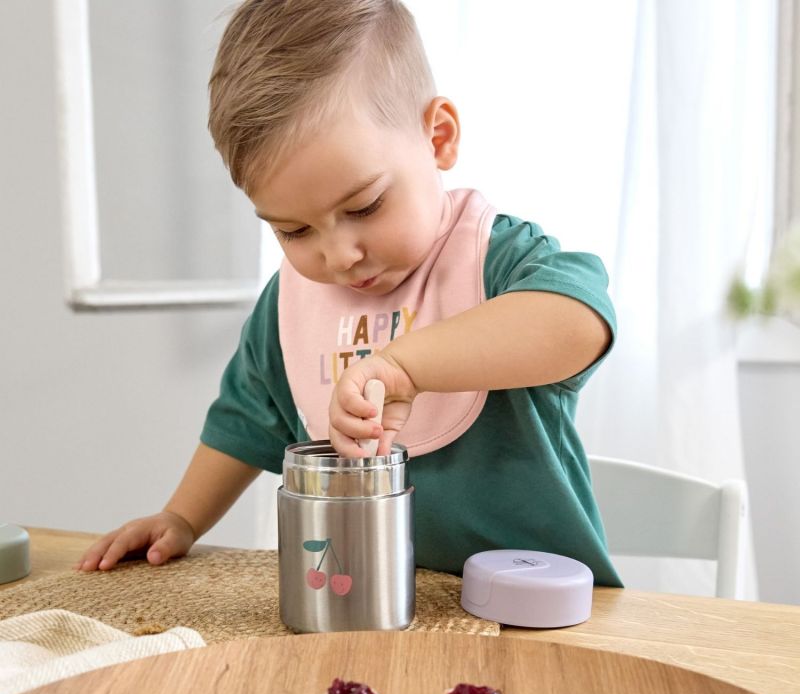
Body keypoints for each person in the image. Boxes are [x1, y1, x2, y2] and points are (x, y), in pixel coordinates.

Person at [78, 0, 622, 586]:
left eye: (364, 206)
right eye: (293, 230)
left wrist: (404, 366)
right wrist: (182, 516)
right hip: (363, 608)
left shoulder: (497, 260)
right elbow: (244, 420)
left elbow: (578, 323)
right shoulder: (289, 304)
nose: (338, 256)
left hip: (538, 613)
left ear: (436, 137)